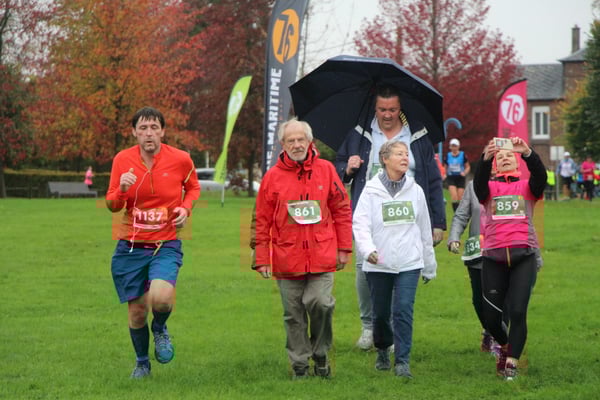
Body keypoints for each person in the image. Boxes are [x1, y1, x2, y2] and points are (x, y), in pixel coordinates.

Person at [335, 85, 446, 351]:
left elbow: (432, 179)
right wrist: (348, 169)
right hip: (370, 212)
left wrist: (438, 222)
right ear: (375, 108)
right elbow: (338, 167)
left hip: (407, 214)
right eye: (382, 109)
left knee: (400, 268)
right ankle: (369, 327)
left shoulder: (417, 134)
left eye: (392, 109)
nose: (387, 115)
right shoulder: (359, 132)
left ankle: (393, 330)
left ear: (400, 108)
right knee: (365, 267)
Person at [254, 118, 353, 379]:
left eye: (301, 139)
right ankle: (299, 365)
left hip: (322, 253)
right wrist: (262, 258)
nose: (297, 144)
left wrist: (344, 248)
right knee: (293, 314)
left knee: (320, 303)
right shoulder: (272, 177)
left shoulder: (326, 170)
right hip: (287, 257)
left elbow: (342, 209)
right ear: (282, 144)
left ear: (310, 142)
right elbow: (261, 219)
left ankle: (320, 353)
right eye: (291, 140)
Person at [105, 107, 200, 378]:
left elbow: (193, 187)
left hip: (165, 244)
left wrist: (185, 208)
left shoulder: (181, 159)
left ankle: (159, 328)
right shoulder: (122, 160)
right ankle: (142, 363)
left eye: (154, 127)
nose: (149, 133)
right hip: (131, 247)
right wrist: (122, 189)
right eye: (143, 128)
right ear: (134, 132)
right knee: (137, 312)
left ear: (163, 131)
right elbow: (112, 205)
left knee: (161, 299)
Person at [352, 140, 436, 378]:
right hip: (378, 262)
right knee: (380, 314)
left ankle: (402, 360)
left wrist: (429, 264)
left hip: (410, 262)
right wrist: (368, 250)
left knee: (403, 310)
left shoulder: (415, 190)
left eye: (406, 154)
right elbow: (360, 224)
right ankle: (382, 349)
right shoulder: (370, 190)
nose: (405, 157)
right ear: (385, 159)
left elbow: (424, 228)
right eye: (399, 154)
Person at [473, 136, 546, 381]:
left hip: (523, 255)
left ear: (517, 164)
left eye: (509, 156)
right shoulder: (488, 190)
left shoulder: (528, 187)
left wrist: (527, 152)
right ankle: (505, 346)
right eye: (500, 157)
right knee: (492, 318)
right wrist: (485, 159)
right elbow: (479, 183)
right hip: (493, 257)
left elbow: (540, 177)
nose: (504, 158)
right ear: (495, 166)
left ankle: (512, 364)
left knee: (517, 311)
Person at [444, 138, 470, 211]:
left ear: (458, 146)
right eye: (452, 146)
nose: (454, 148)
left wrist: (464, 172)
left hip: (460, 177)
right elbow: (445, 167)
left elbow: (468, 167)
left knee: (460, 197)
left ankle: (460, 212)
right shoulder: (448, 155)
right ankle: (456, 213)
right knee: (454, 196)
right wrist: (444, 174)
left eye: (455, 146)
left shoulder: (462, 155)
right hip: (451, 177)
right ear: (450, 147)